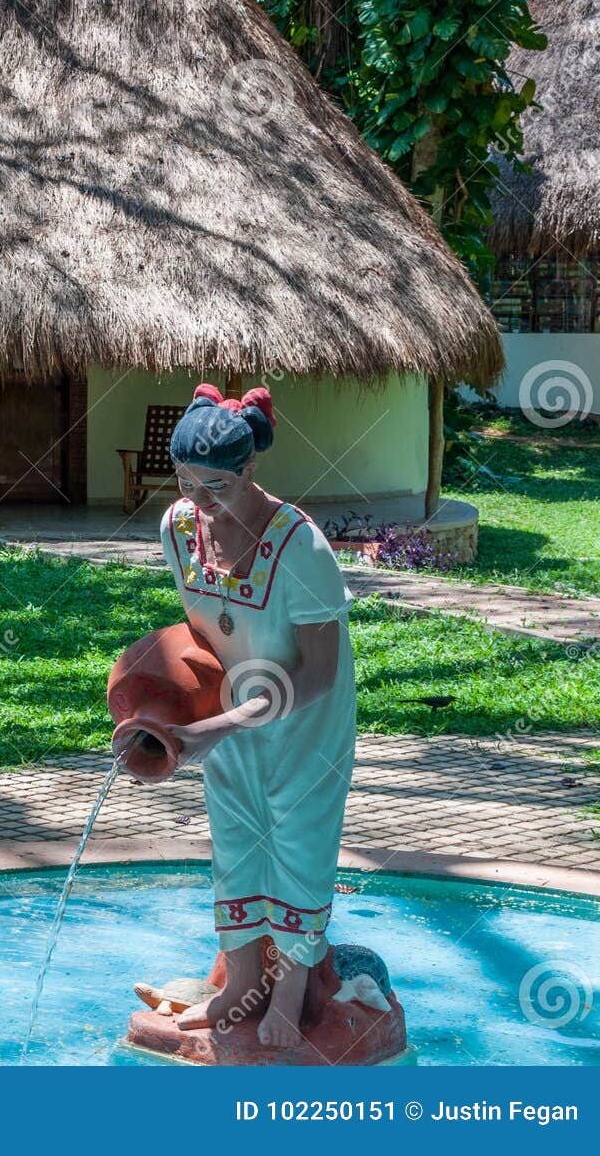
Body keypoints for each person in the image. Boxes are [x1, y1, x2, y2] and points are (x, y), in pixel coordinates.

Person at [157, 383, 356, 1049]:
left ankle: (293, 992)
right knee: (237, 836)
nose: (199, 500)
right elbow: (201, 635)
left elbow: (318, 672)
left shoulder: (302, 549)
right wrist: (166, 710)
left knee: (297, 838)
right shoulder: (179, 531)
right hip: (230, 712)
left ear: (250, 469)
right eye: (186, 482)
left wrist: (215, 727)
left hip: (305, 721)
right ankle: (240, 985)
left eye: (214, 484)